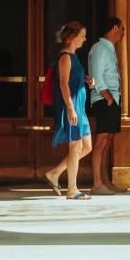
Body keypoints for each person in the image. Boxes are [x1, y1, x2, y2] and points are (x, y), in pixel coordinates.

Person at [44, 20, 93, 200]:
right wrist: (71, 109)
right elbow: (63, 84)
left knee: (86, 146)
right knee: (76, 145)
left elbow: (72, 79)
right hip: (72, 106)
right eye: (82, 36)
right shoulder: (65, 57)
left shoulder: (73, 55)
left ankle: (55, 173)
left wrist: (86, 80)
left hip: (79, 107)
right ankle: (72, 189)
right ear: (72, 37)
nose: (84, 39)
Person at [86, 17, 125, 193]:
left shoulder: (109, 49)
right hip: (104, 100)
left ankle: (105, 181)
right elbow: (96, 75)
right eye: (122, 29)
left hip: (112, 99)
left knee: (107, 141)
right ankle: (97, 183)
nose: (123, 32)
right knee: (101, 140)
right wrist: (107, 96)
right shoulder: (100, 48)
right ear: (115, 28)